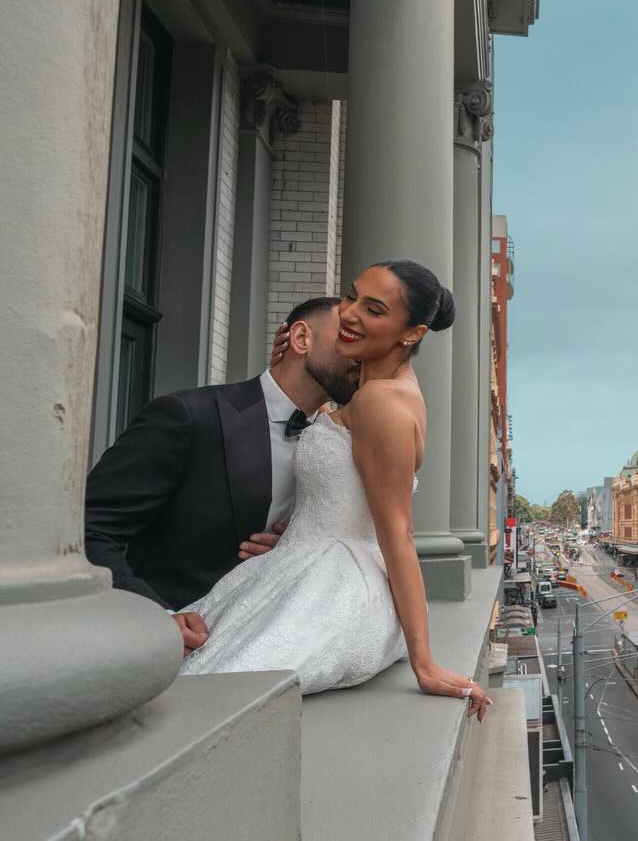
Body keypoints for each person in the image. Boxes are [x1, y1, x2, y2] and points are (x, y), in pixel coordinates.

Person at [177, 260, 490, 719]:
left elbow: (398, 533)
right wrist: (288, 368)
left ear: (412, 333)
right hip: (301, 564)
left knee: (210, 687)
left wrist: (425, 664)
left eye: (374, 310)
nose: (349, 314)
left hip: (335, 589)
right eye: (351, 296)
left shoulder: (381, 402)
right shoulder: (374, 387)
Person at [85, 296, 358, 654]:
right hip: (169, 647)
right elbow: (89, 531)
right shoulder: (188, 416)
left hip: (269, 643)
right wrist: (157, 617)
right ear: (301, 338)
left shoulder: (334, 442)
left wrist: (291, 548)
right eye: (349, 337)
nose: (363, 353)